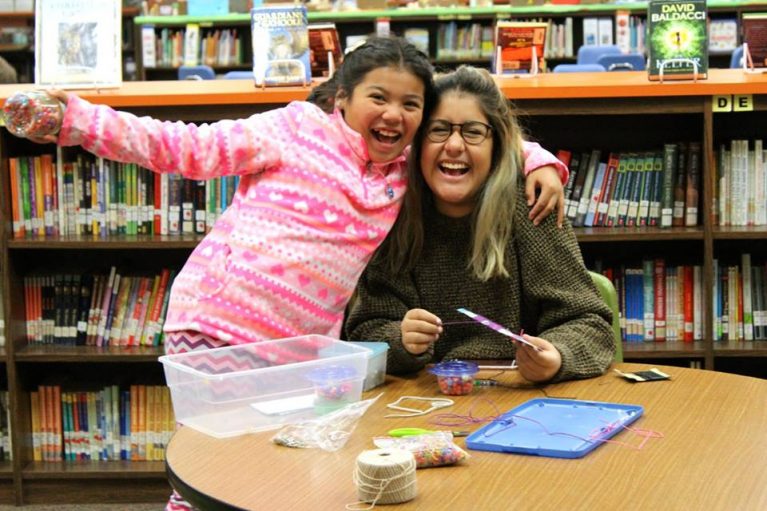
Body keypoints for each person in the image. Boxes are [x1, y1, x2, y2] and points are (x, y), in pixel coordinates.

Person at [26, 38, 566, 510]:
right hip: (218, 328)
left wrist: (539, 159)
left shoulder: (404, 169)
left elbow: (485, 138)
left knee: (289, 469)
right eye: (378, 97)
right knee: (212, 468)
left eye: (410, 105)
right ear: (341, 98)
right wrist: (75, 120)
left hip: (304, 351)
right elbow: (183, 146)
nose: (394, 114)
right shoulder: (292, 127)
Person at [345, 66, 614, 384]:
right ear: (416, 144)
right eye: (438, 130)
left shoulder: (532, 205)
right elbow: (364, 332)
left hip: (519, 397)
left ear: (496, 144)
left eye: (473, 132)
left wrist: (557, 356)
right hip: (422, 403)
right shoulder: (392, 212)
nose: (455, 146)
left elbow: (590, 323)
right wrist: (400, 339)